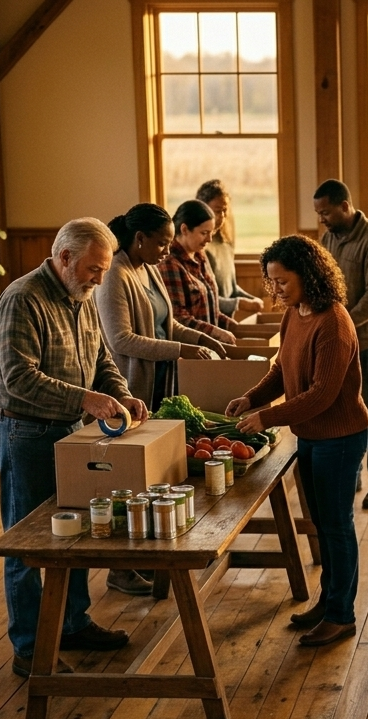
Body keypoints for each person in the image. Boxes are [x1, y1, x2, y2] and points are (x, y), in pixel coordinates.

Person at [0, 217, 146, 677]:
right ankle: (30, 649)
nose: (101, 278)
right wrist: (86, 399)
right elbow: (19, 379)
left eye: (102, 270)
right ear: (64, 258)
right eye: (95, 270)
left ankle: (73, 625)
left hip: (69, 432)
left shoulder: (82, 295)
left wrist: (119, 394)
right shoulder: (22, 299)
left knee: (74, 534)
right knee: (28, 544)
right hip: (25, 434)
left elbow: (100, 359)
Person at [227, 235, 368, 647]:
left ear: (308, 276)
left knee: (336, 528)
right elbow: (281, 370)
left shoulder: (334, 321)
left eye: (282, 282)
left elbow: (322, 394)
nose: (275, 290)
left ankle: (342, 616)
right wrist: (253, 397)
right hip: (310, 435)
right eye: (270, 282)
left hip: (340, 438)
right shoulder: (295, 313)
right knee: (324, 526)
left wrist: (266, 416)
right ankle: (329, 602)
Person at [95, 204, 228, 598]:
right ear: (139, 239)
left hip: (161, 384)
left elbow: (166, 324)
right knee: (132, 482)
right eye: (162, 244)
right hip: (132, 387)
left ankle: (153, 558)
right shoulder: (114, 275)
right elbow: (121, 340)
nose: (167, 252)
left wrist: (202, 338)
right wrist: (180, 351)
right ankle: (122, 568)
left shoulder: (148, 267)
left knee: (156, 478)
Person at [313, 179, 368, 509]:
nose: (322, 219)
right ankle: (354, 473)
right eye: (319, 213)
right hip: (338, 341)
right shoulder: (328, 237)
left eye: (327, 212)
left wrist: (342, 324)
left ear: (345, 206)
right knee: (345, 411)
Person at [160, 200, 239, 345]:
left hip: (211, 347)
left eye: (211, 233)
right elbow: (178, 319)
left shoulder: (200, 255)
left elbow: (210, 311)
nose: (209, 239)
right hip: (191, 352)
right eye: (204, 233)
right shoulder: (170, 264)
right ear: (184, 229)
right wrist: (215, 332)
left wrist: (233, 327)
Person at [196, 179, 264, 317]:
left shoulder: (225, 245)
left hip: (227, 324)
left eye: (225, 210)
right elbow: (205, 300)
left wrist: (251, 299)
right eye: (217, 211)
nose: (222, 216)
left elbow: (231, 288)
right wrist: (239, 303)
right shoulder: (199, 249)